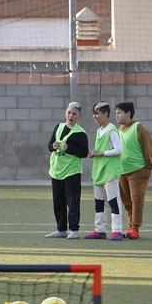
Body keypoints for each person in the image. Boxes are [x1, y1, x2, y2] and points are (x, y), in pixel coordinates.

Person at [46, 101, 89, 240]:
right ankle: (61, 229)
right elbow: (49, 145)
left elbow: (84, 152)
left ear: (79, 116)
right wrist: (53, 146)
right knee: (58, 201)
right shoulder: (58, 127)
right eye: (69, 112)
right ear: (66, 113)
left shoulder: (80, 133)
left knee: (72, 202)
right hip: (56, 170)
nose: (71, 115)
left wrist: (68, 148)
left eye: (74, 113)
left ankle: (74, 230)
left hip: (72, 171)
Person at [115, 101, 152, 239]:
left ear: (128, 113)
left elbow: (148, 146)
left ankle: (135, 228)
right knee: (126, 201)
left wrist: (148, 167)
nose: (117, 116)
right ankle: (131, 225)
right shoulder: (119, 129)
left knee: (136, 200)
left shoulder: (139, 128)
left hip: (138, 171)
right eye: (116, 113)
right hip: (122, 172)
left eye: (119, 113)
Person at [85, 102, 123, 240]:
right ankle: (100, 230)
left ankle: (117, 231)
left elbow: (119, 149)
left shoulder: (112, 129)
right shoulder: (99, 130)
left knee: (113, 202)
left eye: (97, 113)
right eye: (94, 113)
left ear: (106, 114)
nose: (94, 116)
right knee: (99, 202)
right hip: (99, 171)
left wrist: (101, 153)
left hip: (110, 172)